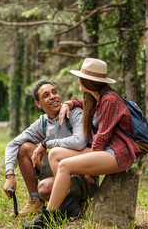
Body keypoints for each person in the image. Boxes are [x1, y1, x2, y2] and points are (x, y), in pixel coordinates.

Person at [23, 58, 141, 228]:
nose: (78, 80)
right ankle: (68, 206)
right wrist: (69, 103)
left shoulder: (110, 100)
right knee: (55, 153)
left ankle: (49, 216)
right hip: (106, 150)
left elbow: (103, 135)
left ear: (88, 81)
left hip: (118, 153)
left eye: (80, 77)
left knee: (65, 166)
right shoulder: (96, 96)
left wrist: (89, 170)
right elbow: (81, 103)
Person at [3, 80, 99, 217]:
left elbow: (79, 142)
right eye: (46, 95)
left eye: (54, 92)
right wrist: (10, 175)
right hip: (60, 169)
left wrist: (45, 144)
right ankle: (35, 201)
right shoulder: (42, 123)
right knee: (23, 148)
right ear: (38, 104)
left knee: (45, 188)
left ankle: (78, 202)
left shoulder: (74, 113)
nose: (53, 96)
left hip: (84, 174)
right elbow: (13, 144)